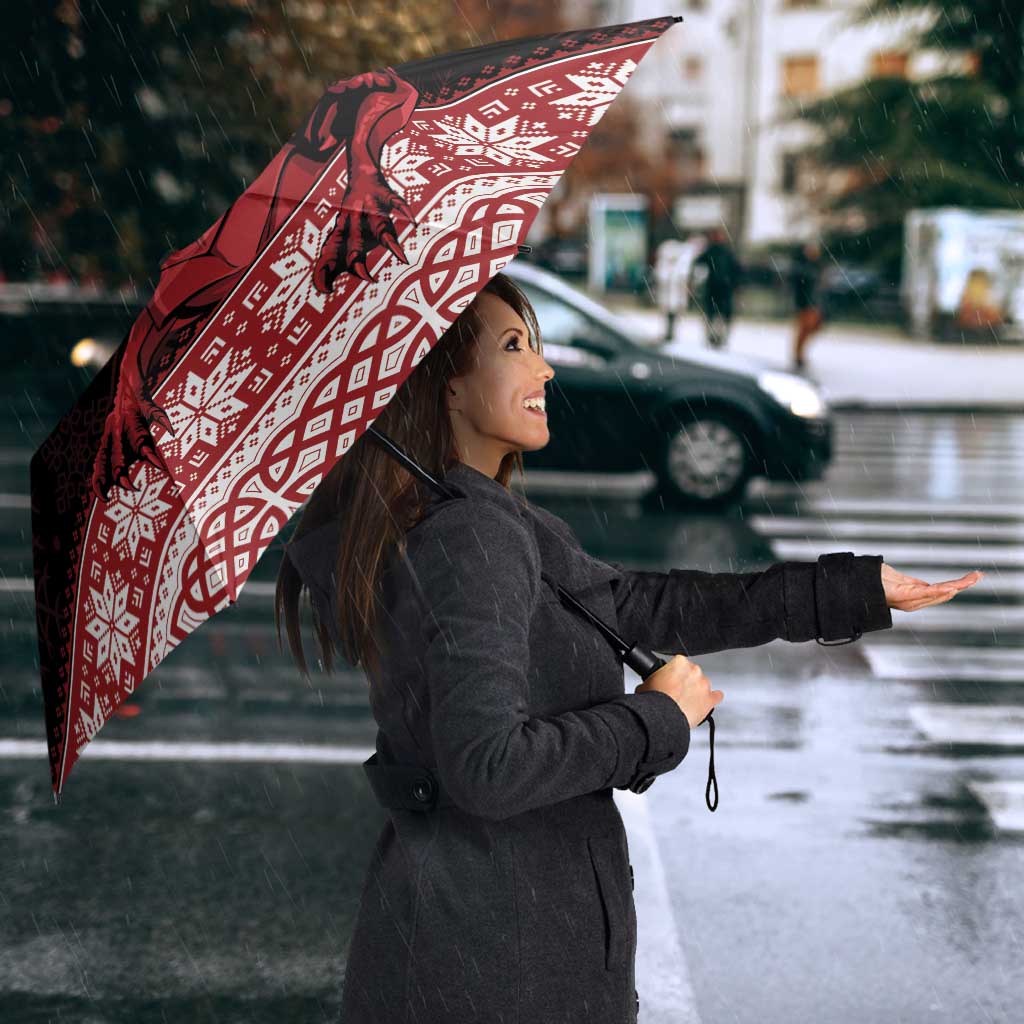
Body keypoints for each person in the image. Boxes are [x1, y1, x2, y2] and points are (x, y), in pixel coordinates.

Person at [275, 271, 974, 1024]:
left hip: (473, 941)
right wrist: (657, 719)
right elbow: (487, 767)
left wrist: (849, 591)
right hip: (500, 963)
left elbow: (638, 605)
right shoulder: (470, 536)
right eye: (514, 347)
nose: (544, 369)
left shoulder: (469, 518)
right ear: (448, 385)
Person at [692, 226, 742, 349]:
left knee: (719, 315)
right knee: (714, 314)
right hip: (716, 288)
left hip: (722, 289)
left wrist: (735, 284)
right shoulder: (714, 251)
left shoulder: (724, 252)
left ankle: (719, 337)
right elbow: (698, 263)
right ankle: (713, 337)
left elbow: (736, 270)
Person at [790, 239, 826, 371]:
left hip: (814, 303)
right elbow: (799, 286)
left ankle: (799, 354)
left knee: (812, 327)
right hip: (805, 303)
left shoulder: (816, 266)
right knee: (804, 329)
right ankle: (798, 355)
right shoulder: (802, 267)